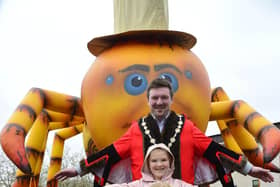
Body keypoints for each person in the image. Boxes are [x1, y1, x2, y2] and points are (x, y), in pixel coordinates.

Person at [55, 78, 274, 187]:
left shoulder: (186, 126)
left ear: (171, 99)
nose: (159, 102)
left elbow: (215, 151)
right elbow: (109, 154)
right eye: (155, 98)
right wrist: (78, 170)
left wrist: (248, 168)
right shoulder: (136, 129)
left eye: (164, 98)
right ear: (148, 100)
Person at [105, 143, 195, 187]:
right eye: (154, 161)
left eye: (163, 160)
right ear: (147, 163)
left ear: (170, 162)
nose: (159, 164)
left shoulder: (179, 185)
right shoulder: (139, 185)